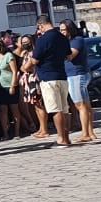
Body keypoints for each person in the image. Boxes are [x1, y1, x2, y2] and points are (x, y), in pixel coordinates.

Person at [29, 16, 74, 148]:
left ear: (40, 25)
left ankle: (61, 139)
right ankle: (67, 137)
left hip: (48, 78)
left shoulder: (43, 40)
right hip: (62, 75)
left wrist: (29, 63)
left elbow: (35, 60)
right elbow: (68, 55)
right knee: (64, 109)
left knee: (55, 110)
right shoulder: (62, 37)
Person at [60, 21, 99, 143]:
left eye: (64, 30)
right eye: (60, 30)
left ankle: (85, 133)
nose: (62, 32)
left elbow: (70, 55)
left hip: (76, 75)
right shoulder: (67, 41)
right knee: (86, 105)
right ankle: (90, 132)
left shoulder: (76, 40)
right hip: (74, 74)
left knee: (79, 105)